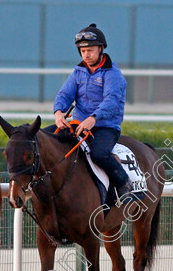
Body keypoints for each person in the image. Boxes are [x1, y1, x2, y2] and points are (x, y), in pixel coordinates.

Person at [51, 23, 131, 203]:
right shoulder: (78, 72)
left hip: (105, 128)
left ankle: (124, 183)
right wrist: (58, 114)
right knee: (45, 139)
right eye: (82, 50)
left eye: (90, 50)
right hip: (79, 126)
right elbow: (64, 94)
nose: (86, 54)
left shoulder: (113, 74)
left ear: (101, 49)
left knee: (99, 154)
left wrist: (92, 119)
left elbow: (111, 101)